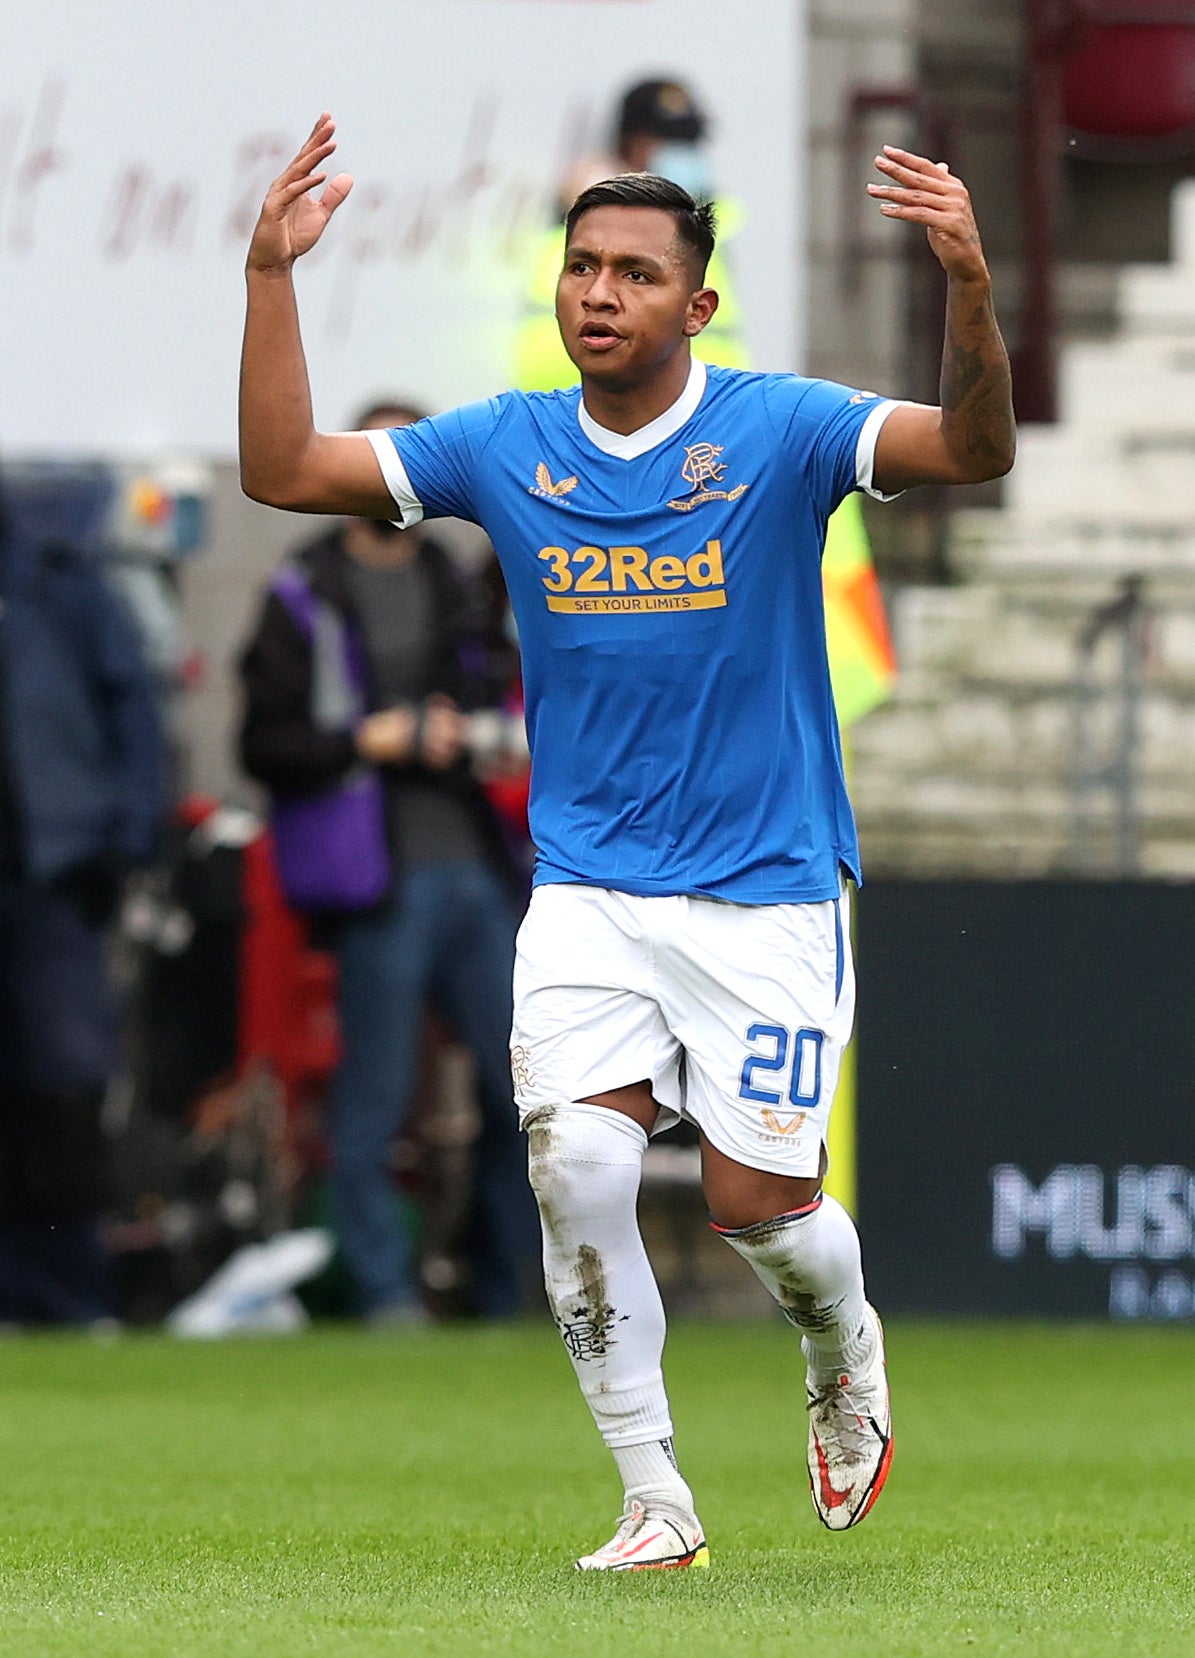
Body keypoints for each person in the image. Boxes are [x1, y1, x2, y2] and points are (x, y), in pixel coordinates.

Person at [238, 114, 1015, 1567]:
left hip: (766, 884)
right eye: (582, 267)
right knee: (573, 1168)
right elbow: (284, 466)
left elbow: (972, 446)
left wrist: (966, 287)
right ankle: (653, 1497)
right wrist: (268, 276)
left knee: (756, 1205)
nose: (598, 293)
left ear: (694, 305)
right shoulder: (506, 444)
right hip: (589, 884)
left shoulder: (780, 429)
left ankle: (841, 1341)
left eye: (635, 273)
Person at [237, 402, 539, 1324]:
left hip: (476, 867)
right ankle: (382, 1293)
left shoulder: (460, 583)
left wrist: (471, 733)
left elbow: (512, 705)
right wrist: (371, 739)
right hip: (373, 879)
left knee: (518, 1091)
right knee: (373, 1094)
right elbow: (265, 743)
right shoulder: (304, 590)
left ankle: (508, 1294)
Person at [0, 480, 166, 1326]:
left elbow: (132, 706)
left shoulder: (63, 573)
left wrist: (131, 836)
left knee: (62, 1082)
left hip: (52, 869)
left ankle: (68, 1288)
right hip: (52, 857)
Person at [512, 76, 747, 392]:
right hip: (586, 410)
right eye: (668, 143)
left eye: (689, 143)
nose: (684, 155)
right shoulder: (579, 224)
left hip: (708, 413)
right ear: (628, 146)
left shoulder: (705, 224)